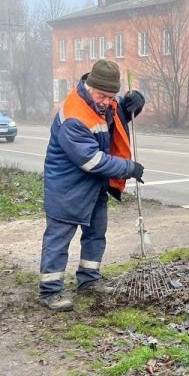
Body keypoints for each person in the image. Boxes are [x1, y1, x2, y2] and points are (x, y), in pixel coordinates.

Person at [39, 59, 146, 311]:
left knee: (96, 235)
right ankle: (50, 291)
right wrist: (129, 168)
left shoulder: (100, 104)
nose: (107, 102)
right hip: (67, 189)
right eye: (103, 96)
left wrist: (133, 105)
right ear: (89, 87)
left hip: (93, 188)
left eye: (112, 97)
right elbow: (91, 160)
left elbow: (115, 118)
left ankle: (89, 280)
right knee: (58, 241)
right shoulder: (74, 116)